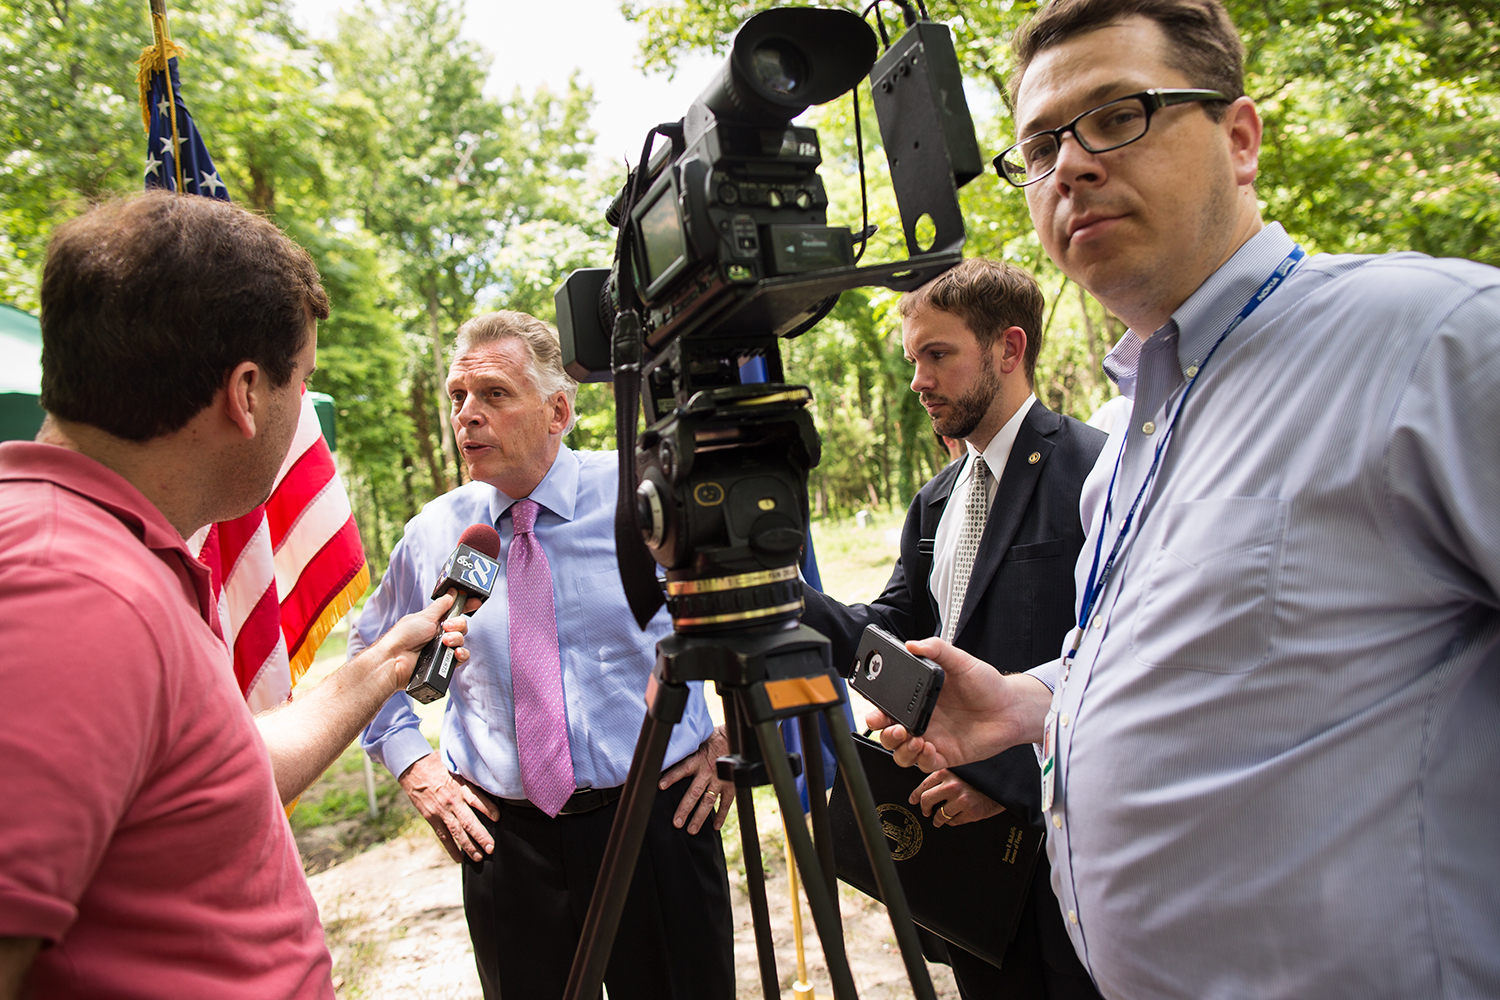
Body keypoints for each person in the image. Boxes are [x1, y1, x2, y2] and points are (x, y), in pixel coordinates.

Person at [876, 2, 1500, 999]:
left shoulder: (1438, 345)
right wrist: (1032, 704)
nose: (1071, 165)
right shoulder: (1130, 437)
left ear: (1239, 138)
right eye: (1040, 144)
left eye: (1119, 113)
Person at [0, 190, 472, 1000]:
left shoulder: (110, 554)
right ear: (247, 393)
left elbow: (217, 773)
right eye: (304, 383)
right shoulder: (71, 589)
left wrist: (386, 664)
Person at [354, 310, 736, 1000]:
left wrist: (735, 739)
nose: (467, 416)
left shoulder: (643, 495)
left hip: (657, 823)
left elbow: (756, 610)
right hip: (508, 845)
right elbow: (369, 660)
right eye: (457, 398)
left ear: (557, 410)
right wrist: (417, 770)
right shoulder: (435, 532)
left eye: (494, 394)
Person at [803, 258, 1105, 1000]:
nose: (918, 381)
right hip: (960, 859)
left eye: (938, 355)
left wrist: (1003, 780)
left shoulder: (1098, 472)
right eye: (914, 359)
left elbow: (1122, 660)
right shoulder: (936, 500)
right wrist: (779, 596)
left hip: (1071, 858)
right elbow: (890, 638)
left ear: (1009, 349)